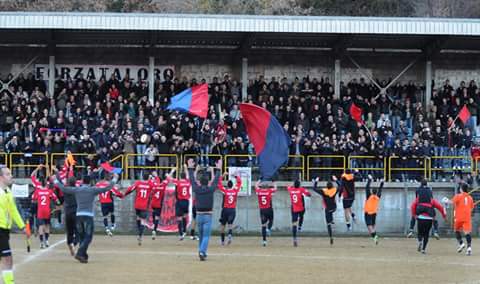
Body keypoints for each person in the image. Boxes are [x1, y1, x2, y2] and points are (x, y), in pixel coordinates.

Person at [54, 172, 119, 263]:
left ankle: (83, 256)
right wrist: (115, 179)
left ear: (82, 182)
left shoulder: (77, 190)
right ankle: (80, 253)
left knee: (81, 236)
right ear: (90, 182)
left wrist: (55, 180)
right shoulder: (92, 190)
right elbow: (106, 188)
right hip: (88, 215)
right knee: (88, 236)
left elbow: (63, 188)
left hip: (79, 215)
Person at [185, 158, 221, 261]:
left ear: (200, 183)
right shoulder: (211, 189)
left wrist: (191, 167)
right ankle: (202, 251)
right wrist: (218, 169)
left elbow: (192, 179)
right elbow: (216, 180)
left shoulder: (197, 189)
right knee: (205, 236)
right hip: (208, 215)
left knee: (201, 236)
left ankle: (202, 252)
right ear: (208, 182)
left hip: (199, 215)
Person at [0, 165, 26, 284]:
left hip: (5, 230)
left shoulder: (8, 191)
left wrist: (22, 226)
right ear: (1, 177)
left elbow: (13, 210)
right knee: (7, 259)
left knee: (5, 258)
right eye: (8, 174)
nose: (11, 176)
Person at [31, 165, 60, 249]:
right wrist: (57, 205)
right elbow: (56, 199)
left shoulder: (37, 188)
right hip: (47, 209)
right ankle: (46, 241)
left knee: (41, 226)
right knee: (47, 225)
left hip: (40, 209)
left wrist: (37, 168)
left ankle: (41, 243)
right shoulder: (48, 188)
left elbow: (32, 176)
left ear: (39, 180)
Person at [123, 173, 153, 246]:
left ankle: (138, 231)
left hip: (137, 205)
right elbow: (155, 187)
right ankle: (140, 235)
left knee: (138, 218)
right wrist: (151, 179)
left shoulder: (138, 183)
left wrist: (125, 194)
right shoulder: (150, 184)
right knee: (143, 221)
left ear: (142, 177)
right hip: (144, 205)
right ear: (148, 177)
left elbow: (131, 189)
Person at [448, 183, 474, 255]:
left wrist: (446, 201)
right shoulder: (470, 197)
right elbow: (471, 208)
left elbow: (451, 202)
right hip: (467, 218)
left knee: (456, 230)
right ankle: (469, 248)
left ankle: (461, 243)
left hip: (459, 217)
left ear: (461, 189)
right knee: (467, 233)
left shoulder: (458, 196)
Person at [218, 172, 242, 245]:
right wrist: (235, 176)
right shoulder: (235, 190)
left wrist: (223, 175)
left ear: (227, 186)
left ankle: (222, 241)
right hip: (232, 210)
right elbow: (239, 182)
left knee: (222, 225)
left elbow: (219, 184)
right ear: (232, 185)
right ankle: (230, 236)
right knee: (230, 225)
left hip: (225, 209)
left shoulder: (225, 191)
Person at [312, 177, 338, 245]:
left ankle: (331, 237)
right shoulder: (334, 190)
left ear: (326, 186)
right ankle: (332, 220)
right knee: (331, 212)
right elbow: (341, 186)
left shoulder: (324, 191)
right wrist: (336, 180)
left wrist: (316, 181)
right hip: (334, 208)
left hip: (328, 209)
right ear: (332, 186)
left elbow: (314, 189)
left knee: (328, 224)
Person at [169, 168, 192, 241]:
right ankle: (184, 231)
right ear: (185, 177)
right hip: (186, 201)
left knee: (179, 218)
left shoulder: (178, 182)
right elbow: (188, 176)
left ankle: (181, 234)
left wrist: (172, 171)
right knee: (185, 216)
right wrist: (185, 168)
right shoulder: (188, 182)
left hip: (180, 201)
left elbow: (169, 178)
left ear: (180, 177)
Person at [287, 180, 311, 247]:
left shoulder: (290, 189)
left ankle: (294, 238)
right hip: (300, 208)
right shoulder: (301, 189)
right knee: (302, 216)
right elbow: (309, 194)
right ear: (299, 185)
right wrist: (303, 189)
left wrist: (292, 186)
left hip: (294, 209)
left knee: (294, 224)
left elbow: (288, 186)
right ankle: (300, 227)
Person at [255, 180, 277, 247]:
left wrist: (259, 180)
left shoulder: (259, 191)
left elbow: (256, 185)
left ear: (261, 187)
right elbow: (275, 188)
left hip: (262, 210)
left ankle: (264, 241)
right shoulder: (269, 191)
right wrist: (274, 182)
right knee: (271, 220)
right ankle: (268, 229)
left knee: (263, 225)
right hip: (268, 209)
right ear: (267, 187)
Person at [364, 175, 384, 245]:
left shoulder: (369, 196)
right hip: (374, 213)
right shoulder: (377, 197)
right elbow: (380, 190)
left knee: (369, 227)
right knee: (373, 226)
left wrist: (369, 180)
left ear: (372, 191)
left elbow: (367, 188)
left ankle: (375, 237)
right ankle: (374, 236)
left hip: (368, 213)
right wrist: (382, 183)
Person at [150, 171, 170, 240]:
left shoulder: (154, 185)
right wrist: (170, 173)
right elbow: (168, 180)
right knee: (157, 218)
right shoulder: (163, 186)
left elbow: (154, 180)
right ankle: (154, 230)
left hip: (153, 203)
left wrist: (154, 176)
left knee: (153, 214)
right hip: (159, 204)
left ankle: (153, 225)